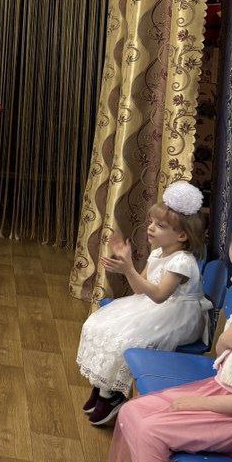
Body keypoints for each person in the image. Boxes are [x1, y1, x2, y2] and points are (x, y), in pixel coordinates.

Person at [109, 214, 232, 462]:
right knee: (131, 412)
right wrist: (225, 341)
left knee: (152, 431)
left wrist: (200, 404)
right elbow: (223, 356)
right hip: (222, 392)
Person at [77, 181, 209, 426]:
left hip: (179, 316)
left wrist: (128, 269)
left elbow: (159, 295)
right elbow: (141, 289)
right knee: (98, 326)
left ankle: (111, 395)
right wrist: (127, 268)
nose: (150, 228)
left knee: (126, 339)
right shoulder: (158, 253)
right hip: (156, 307)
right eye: (151, 222)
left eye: (160, 226)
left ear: (181, 235)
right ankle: (102, 385)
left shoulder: (182, 261)